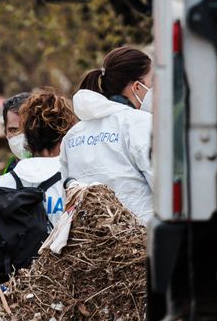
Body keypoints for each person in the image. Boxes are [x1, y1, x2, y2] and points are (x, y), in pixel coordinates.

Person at [0, 89, 75, 279]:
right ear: (65, 134)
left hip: (11, 296)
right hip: (62, 291)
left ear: (27, 137)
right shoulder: (74, 183)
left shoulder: (0, 184)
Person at [60, 46, 154, 222]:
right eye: (153, 83)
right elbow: (164, 188)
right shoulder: (141, 124)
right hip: (140, 241)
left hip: (89, 245)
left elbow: (68, 193)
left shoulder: (73, 135)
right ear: (137, 87)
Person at [1, 92, 31, 174]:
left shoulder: (61, 170)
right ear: (5, 133)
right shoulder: (9, 171)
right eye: (14, 130)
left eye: (28, 129)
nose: (22, 137)